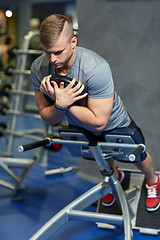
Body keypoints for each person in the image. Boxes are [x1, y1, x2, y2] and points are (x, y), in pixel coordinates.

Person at [31, 14, 160, 212]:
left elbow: (100, 122)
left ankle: (153, 180)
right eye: (47, 52)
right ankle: (114, 178)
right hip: (78, 123)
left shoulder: (95, 68)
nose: (52, 59)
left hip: (114, 122)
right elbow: (48, 119)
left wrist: (63, 103)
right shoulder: (39, 68)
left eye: (58, 52)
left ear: (73, 42)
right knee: (101, 155)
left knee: (137, 156)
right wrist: (59, 106)